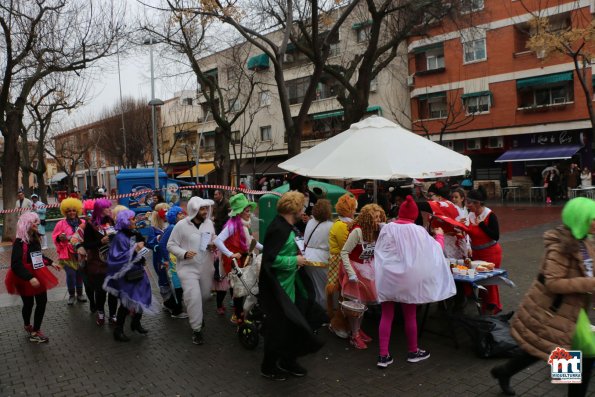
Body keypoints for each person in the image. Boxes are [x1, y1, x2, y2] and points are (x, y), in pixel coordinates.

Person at [491, 197, 595, 397]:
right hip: (554, 312)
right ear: (581, 219)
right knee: (568, 358)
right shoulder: (561, 247)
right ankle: (504, 371)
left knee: (545, 348)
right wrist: (590, 284)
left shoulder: (585, 242)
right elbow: (553, 282)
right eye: (593, 218)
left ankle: (504, 371)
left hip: (572, 312)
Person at [374, 195, 455, 367]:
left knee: (386, 315)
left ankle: (383, 356)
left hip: (388, 277)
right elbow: (435, 252)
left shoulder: (388, 228)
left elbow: (379, 251)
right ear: (414, 215)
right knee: (410, 315)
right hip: (408, 280)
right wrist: (439, 236)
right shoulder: (418, 231)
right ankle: (413, 351)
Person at [258, 191, 326, 381]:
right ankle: (268, 367)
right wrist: (294, 259)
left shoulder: (287, 226)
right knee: (278, 328)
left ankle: (288, 360)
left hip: (293, 285)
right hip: (278, 289)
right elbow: (269, 260)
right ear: (294, 209)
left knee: (296, 323)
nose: (303, 210)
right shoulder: (278, 228)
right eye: (302, 207)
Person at [5, 212, 61, 343]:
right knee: (28, 304)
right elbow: (15, 264)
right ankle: (27, 325)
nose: (37, 223)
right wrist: (29, 277)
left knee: (42, 301)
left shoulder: (36, 237)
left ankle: (36, 331)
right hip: (23, 276)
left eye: (37, 221)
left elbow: (37, 256)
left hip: (38, 273)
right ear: (27, 224)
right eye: (34, 221)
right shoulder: (19, 242)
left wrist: (51, 263)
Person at [167, 196, 216, 345]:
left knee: (204, 295)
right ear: (193, 210)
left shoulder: (209, 224)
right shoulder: (181, 226)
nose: (205, 211)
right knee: (193, 297)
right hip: (188, 269)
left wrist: (212, 245)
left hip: (206, 267)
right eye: (202, 209)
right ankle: (197, 330)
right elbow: (171, 245)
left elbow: (213, 238)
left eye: (206, 208)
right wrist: (184, 253)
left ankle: (197, 317)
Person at [104, 209, 157, 342]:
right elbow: (116, 258)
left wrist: (140, 250)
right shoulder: (119, 237)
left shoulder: (133, 233)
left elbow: (140, 247)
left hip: (138, 271)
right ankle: (119, 330)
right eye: (132, 219)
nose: (135, 221)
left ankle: (136, 323)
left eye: (134, 219)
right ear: (125, 221)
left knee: (144, 296)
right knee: (126, 303)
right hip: (127, 275)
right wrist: (134, 249)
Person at [340, 204, 386, 350]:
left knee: (362, 305)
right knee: (356, 305)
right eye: (375, 217)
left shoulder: (374, 231)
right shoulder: (358, 231)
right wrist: (351, 273)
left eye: (379, 217)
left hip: (367, 269)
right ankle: (355, 335)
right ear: (367, 218)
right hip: (355, 270)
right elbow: (344, 252)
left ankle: (358, 330)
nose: (378, 220)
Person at [213, 193, 262, 323]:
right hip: (233, 261)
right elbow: (217, 241)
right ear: (239, 212)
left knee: (242, 286)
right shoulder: (232, 225)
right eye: (247, 211)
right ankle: (238, 316)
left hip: (242, 258)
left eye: (249, 210)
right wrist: (230, 254)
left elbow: (252, 242)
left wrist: (266, 248)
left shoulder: (244, 224)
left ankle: (238, 313)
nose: (249, 213)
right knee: (237, 287)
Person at [466, 187, 503, 314]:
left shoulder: (490, 215)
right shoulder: (470, 215)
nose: (467, 205)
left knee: (490, 281)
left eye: (469, 202)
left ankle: (493, 308)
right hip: (477, 253)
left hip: (491, 253)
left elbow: (495, 235)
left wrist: (482, 225)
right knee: (481, 281)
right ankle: (484, 307)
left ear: (477, 203)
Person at [326, 194, 357, 340]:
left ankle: (344, 322)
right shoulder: (341, 225)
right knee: (342, 295)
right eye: (353, 208)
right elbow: (347, 245)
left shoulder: (346, 223)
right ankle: (338, 323)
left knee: (346, 295)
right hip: (340, 262)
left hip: (344, 262)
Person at [83, 198, 118, 325]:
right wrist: (100, 242)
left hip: (112, 262)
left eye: (110, 207)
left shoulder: (111, 221)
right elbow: (86, 244)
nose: (110, 209)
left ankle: (113, 315)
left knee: (113, 291)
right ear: (100, 210)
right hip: (98, 263)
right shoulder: (90, 225)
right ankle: (101, 313)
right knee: (101, 291)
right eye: (107, 208)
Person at [52, 197, 87, 306]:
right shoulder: (60, 224)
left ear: (77, 211)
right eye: (69, 211)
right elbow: (55, 237)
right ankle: (72, 295)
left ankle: (80, 294)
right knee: (71, 274)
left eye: (73, 210)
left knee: (80, 273)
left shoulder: (83, 222)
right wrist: (59, 238)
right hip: (67, 253)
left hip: (81, 252)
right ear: (65, 212)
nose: (71, 213)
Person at [303, 199, 333, 308]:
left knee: (312, 289)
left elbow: (305, 241)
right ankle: (322, 314)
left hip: (307, 258)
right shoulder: (331, 226)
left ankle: (313, 311)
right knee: (322, 291)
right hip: (322, 260)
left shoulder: (310, 222)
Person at [158, 206, 187, 318]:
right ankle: (176, 311)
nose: (182, 215)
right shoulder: (172, 227)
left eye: (182, 213)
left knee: (179, 285)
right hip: (173, 261)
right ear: (173, 216)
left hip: (178, 259)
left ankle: (168, 304)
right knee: (177, 286)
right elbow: (162, 244)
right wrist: (167, 259)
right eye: (179, 214)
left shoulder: (178, 226)